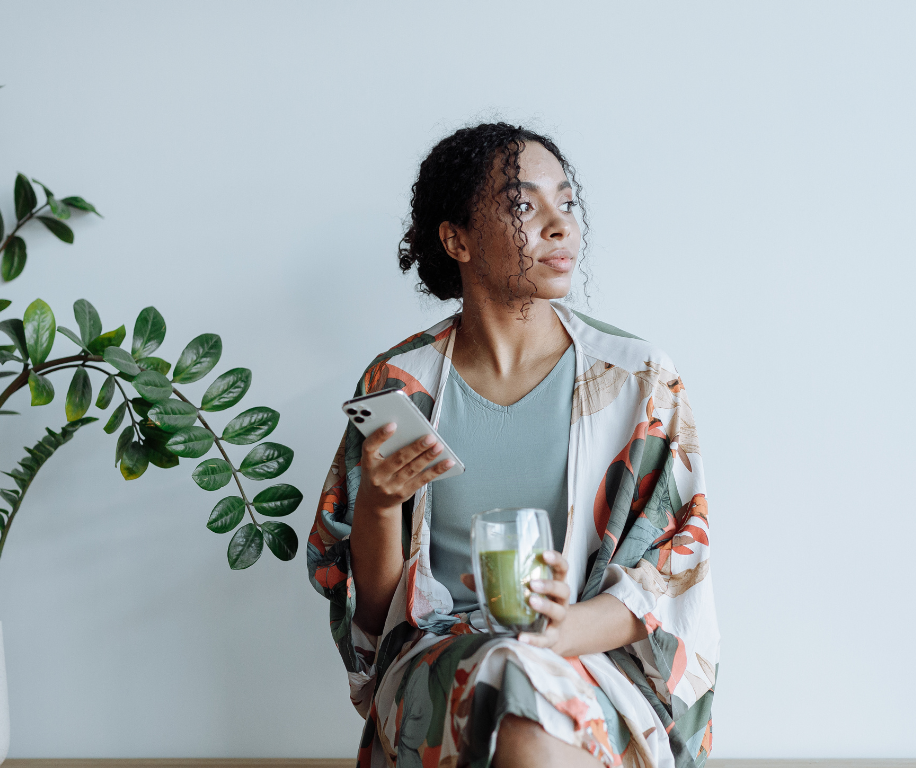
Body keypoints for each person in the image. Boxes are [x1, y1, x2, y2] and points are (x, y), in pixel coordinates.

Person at [306, 123, 718, 768]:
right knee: (510, 673)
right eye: (525, 205)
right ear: (457, 239)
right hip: (436, 667)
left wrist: (559, 631)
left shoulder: (638, 382)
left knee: (523, 680)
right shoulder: (398, 388)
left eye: (567, 202)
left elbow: (669, 575)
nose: (561, 225)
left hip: (593, 663)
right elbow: (377, 621)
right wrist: (381, 507)